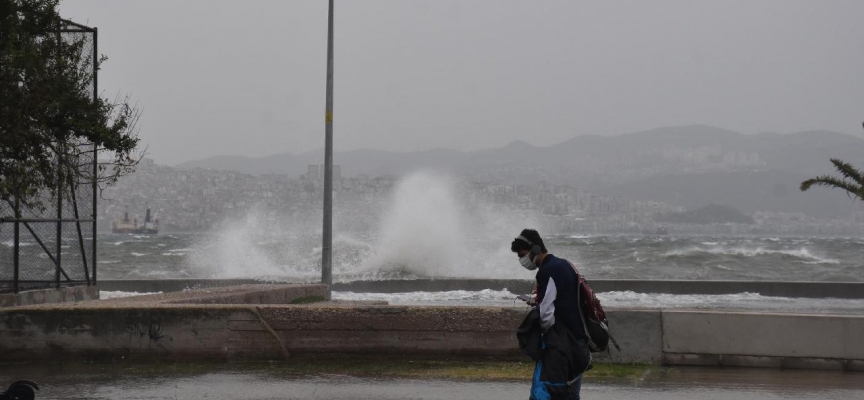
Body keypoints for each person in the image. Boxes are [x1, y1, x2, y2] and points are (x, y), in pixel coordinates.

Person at [512, 228, 590, 400]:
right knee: (572, 393)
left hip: (562, 345)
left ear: (536, 249)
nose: (522, 260)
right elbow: (565, 296)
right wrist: (537, 299)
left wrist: (545, 333)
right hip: (579, 341)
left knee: (551, 393)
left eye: (523, 254)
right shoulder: (564, 264)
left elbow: (547, 313)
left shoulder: (547, 271)